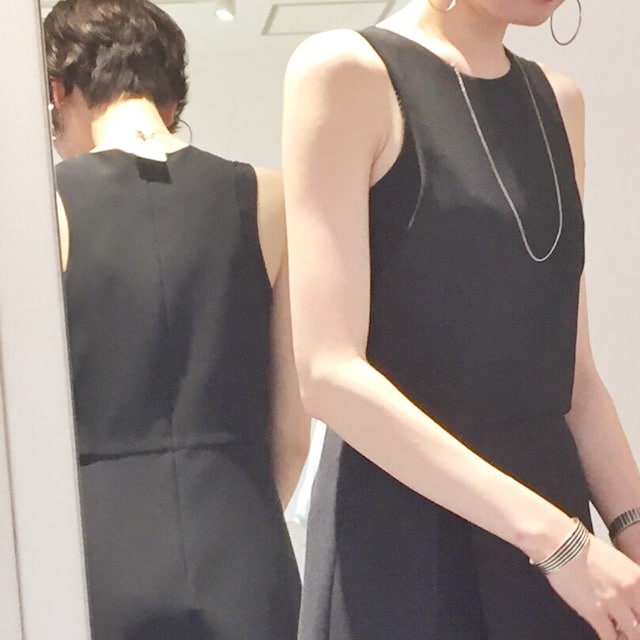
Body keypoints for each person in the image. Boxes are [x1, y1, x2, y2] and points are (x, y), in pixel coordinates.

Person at [282, 1, 640, 639]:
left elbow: (576, 378)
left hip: (555, 539)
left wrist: (629, 529)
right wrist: (556, 540)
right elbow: (329, 373)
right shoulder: (349, 72)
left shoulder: (559, 103)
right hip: (404, 534)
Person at [44, 1, 307, 638]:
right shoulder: (271, 199)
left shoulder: (43, 210)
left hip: (98, 554)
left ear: (57, 91)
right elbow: (294, 428)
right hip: (242, 545)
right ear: (171, 95)